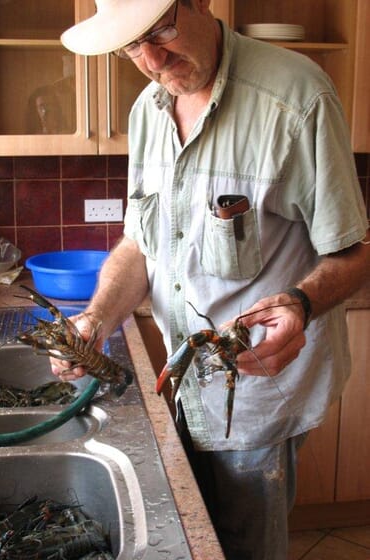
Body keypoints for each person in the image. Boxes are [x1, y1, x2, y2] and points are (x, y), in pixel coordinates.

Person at [57, 1, 370, 558]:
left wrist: (300, 302)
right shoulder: (147, 110)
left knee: (246, 547)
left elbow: (353, 252)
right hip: (180, 386)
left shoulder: (296, 96)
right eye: (131, 46)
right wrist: (97, 318)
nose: (152, 59)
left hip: (256, 394)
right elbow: (140, 244)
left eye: (162, 30)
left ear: (200, 2)